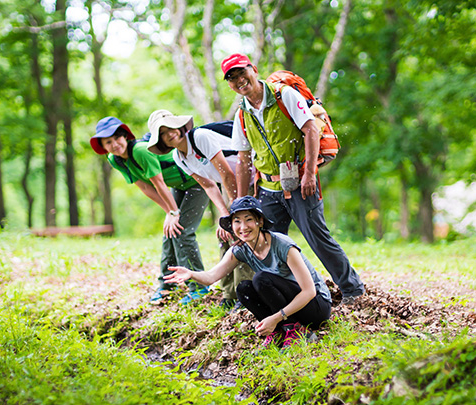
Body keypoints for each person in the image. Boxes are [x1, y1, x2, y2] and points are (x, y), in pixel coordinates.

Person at [220, 53, 365, 304]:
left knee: (317, 238)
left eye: (241, 72)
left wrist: (309, 173)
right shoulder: (242, 114)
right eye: (231, 78)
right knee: (265, 243)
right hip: (267, 187)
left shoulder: (283, 95)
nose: (239, 80)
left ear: (253, 69)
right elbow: (243, 159)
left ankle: (352, 290)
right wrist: (242, 200)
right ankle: (285, 296)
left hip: (300, 182)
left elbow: (310, 129)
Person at [164, 196, 331, 347]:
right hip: (289, 306)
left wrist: (276, 317)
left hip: (315, 306)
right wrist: (191, 274)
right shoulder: (240, 249)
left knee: (261, 279)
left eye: (249, 219)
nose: (243, 227)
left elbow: (309, 291)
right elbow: (211, 277)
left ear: (259, 221)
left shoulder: (283, 245)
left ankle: (295, 330)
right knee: (244, 288)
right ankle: (279, 332)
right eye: (237, 221)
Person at [90, 116, 209, 305]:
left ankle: (199, 286)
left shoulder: (140, 151)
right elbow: (146, 188)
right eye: (108, 142)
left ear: (125, 137)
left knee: (182, 231)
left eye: (117, 138)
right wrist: (169, 213)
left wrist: (174, 213)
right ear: (103, 147)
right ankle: (167, 285)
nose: (115, 145)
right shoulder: (116, 160)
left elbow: (159, 183)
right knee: (170, 232)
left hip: (198, 182)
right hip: (178, 187)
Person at [146, 109, 255, 309]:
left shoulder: (200, 137)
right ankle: (229, 294)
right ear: (160, 140)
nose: (170, 134)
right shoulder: (180, 158)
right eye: (162, 133)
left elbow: (227, 174)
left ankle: (245, 294)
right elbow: (209, 186)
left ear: (179, 125)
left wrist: (233, 213)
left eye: (170, 127)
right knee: (225, 235)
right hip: (230, 187)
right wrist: (224, 216)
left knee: (242, 234)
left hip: (250, 178)